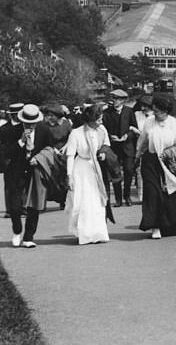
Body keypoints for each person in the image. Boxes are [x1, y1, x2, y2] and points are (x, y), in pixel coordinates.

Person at [0, 104, 52, 248]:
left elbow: (49, 148)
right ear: (22, 121)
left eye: (33, 123)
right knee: (15, 206)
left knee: (33, 205)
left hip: (35, 170)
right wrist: (19, 143)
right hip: (15, 170)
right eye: (27, 123)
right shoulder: (11, 131)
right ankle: (17, 230)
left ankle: (29, 236)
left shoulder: (44, 130)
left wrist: (40, 157)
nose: (30, 126)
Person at [137, 94, 176, 239]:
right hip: (151, 161)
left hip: (169, 162)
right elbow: (142, 140)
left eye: (159, 112)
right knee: (152, 193)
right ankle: (155, 226)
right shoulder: (149, 122)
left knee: (170, 193)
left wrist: (170, 153)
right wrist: (138, 155)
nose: (156, 114)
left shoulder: (175, 124)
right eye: (154, 111)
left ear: (166, 111)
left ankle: (171, 225)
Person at [64, 103, 111, 245]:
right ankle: (84, 234)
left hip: (95, 168)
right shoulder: (76, 133)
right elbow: (70, 155)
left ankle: (98, 233)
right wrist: (69, 176)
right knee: (84, 201)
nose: (101, 122)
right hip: (81, 169)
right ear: (90, 120)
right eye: (98, 119)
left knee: (96, 201)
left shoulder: (101, 130)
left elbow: (106, 144)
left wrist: (102, 152)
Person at [102, 89, 139, 207]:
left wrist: (126, 136)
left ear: (123, 100)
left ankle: (127, 196)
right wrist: (109, 136)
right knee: (115, 172)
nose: (115, 101)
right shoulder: (107, 113)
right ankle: (118, 199)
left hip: (127, 146)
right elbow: (103, 130)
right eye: (113, 98)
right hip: (114, 148)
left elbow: (134, 129)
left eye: (118, 99)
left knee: (129, 170)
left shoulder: (129, 112)